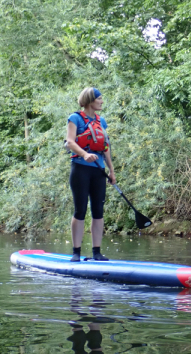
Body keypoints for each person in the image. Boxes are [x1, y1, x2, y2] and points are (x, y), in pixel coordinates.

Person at [65, 87, 116, 262]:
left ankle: (96, 252)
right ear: (89, 101)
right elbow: (70, 142)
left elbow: (106, 148)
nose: (102, 101)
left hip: (98, 171)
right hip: (80, 169)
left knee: (98, 211)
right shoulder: (75, 118)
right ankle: (76, 252)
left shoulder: (102, 122)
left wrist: (111, 171)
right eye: (99, 99)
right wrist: (85, 154)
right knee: (80, 210)